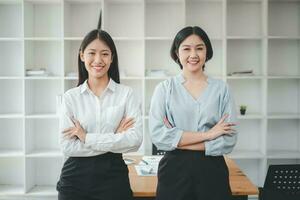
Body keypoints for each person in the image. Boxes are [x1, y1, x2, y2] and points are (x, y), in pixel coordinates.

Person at [149, 26, 238, 200]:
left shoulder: (222, 90)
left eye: (199, 48)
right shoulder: (164, 90)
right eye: (186, 48)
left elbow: (229, 140)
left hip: (213, 172)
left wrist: (177, 140)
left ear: (207, 52)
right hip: (174, 172)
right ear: (177, 52)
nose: (193, 54)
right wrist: (210, 134)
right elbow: (159, 136)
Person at [56, 29, 142, 200]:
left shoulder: (126, 94)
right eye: (92, 53)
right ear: (82, 56)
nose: (98, 60)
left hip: (114, 179)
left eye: (104, 54)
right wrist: (115, 137)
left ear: (112, 57)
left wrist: (86, 137)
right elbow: (67, 146)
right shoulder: (70, 98)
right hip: (75, 180)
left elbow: (135, 141)